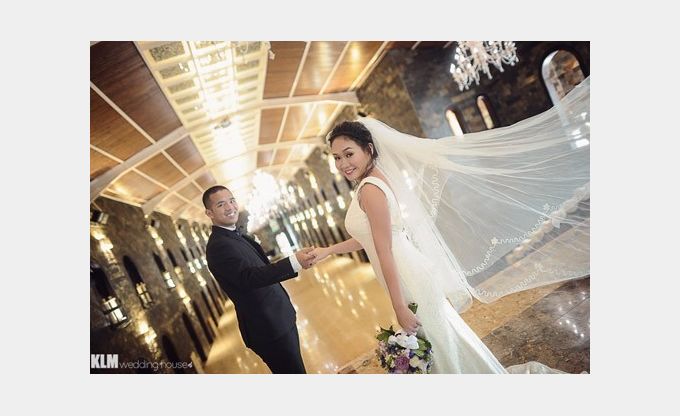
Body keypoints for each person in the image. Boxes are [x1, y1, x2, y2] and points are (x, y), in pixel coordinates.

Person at [310, 78, 590, 373]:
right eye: (337, 158)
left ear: (368, 149)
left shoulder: (369, 189)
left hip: (406, 276)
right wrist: (328, 251)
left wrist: (399, 306)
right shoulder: (375, 179)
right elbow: (373, 236)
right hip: (409, 271)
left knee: (441, 346)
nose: (343, 164)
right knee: (445, 343)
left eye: (349, 154)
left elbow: (384, 249)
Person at [203, 185, 316, 374]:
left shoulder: (234, 235)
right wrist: (294, 262)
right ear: (209, 213)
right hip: (268, 327)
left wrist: (295, 259)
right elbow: (249, 278)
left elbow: (262, 268)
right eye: (221, 204)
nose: (230, 207)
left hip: (279, 318)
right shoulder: (218, 246)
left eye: (232, 201)